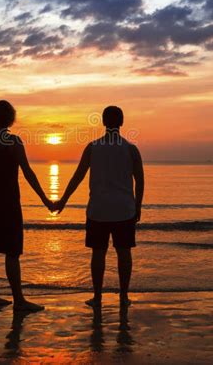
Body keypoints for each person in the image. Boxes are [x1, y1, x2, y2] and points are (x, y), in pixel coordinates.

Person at [54, 106, 144, 307]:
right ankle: (123, 296)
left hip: (98, 210)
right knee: (124, 253)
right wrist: (138, 206)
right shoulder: (130, 149)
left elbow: (77, 177)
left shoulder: (93, 147)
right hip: (124, 209)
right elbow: (140, 180)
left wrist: (62, 201)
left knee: (98, 253)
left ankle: (97, 296)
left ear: (103, 122)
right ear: (121, 122)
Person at [0, 100, 54, 311]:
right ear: (10, 118)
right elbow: (27, 172)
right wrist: (45, 200)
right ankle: (18, 300)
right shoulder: (14, 142)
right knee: (11, 252)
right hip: (9, 201)